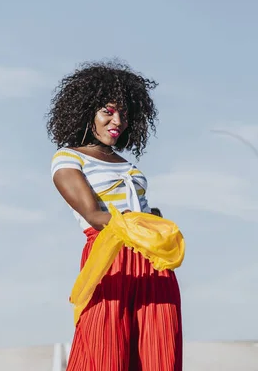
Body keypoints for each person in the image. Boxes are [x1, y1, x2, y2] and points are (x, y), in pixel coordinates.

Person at [47, 60, 182, 371]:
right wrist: (144, 226)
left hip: (152, 263)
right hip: (109, 259)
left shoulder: (129, 166)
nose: (116, 120)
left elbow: (145, 212)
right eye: (107, 111)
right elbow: (94, 215)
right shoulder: (68, 158)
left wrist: (161, 227)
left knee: (159, 356)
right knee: (106, 354)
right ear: (87, 113)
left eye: (122, 113)